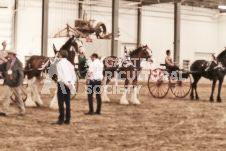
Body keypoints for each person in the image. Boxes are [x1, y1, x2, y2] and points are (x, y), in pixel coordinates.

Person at [52, 50, 76, 125]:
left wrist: (66, 83)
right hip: (69, 83)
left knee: (61, 102)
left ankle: (61, 119)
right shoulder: (70, 64)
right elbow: (74, 76)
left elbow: (61, 76)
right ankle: (68, 119)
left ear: (60, 55)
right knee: (67, 102)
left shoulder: (59, 63)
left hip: (62, 84)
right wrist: (70, 84)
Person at [0, 50, 25, 116]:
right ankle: (4, 111)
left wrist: (20, 83)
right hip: (8, 82)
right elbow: (1, 67)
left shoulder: (19, 63)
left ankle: (22, 111)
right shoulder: (8, 62)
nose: (8, 55)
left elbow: (21, 74)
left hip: (15, 83)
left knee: (18, 97)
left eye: (9, 54)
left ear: (13, 55)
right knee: (6, 97)